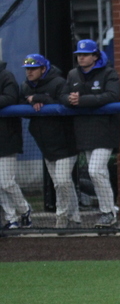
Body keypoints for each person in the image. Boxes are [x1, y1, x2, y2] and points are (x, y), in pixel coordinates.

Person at [60, 39, 120, 228]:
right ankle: (108, 212)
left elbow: (112, 95)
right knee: (95, 172)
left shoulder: (108, 73)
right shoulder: (72, 74)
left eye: (85, 55)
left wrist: (83, 100)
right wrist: (70, 100)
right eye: (79, 55)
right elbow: (62, 96)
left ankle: (108, 212)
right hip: (84, 131)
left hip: (105, 130)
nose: (81, 58)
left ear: (95, 56)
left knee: (96, 170)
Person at [20, 54, 79, 230]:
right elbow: (20, 105)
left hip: (66, 142)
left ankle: (61, 219)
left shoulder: (59, 82)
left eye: (33, 69)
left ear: (43, 69)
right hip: (46, 144)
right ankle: (75, 219)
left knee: (62, 182)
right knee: (62, 183)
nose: (29, 72)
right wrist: (29, 103)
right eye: (27, 69)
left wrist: (40, 99)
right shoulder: (25, 87)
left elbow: (64, 103)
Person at [0, 57, 31, 230]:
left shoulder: (6, 76)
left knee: (6, 182)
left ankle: (24, 210)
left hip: (6, 137)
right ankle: (11, 218)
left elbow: (10, 99)